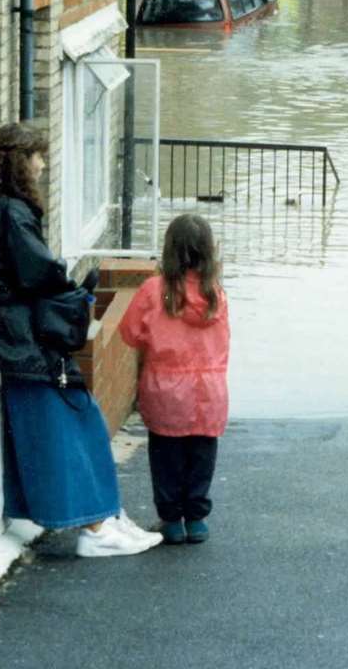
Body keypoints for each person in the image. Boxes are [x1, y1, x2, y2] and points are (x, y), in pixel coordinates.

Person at [0, 123, 162, 557]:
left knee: (78, 419)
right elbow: (39, 272)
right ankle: (98, 527)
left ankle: (106, 515)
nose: (43, 165)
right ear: (20, 163)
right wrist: (74, 292)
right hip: (16, 334)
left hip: (6, 328)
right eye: (38, 157)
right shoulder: (10, 212)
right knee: (73, 424)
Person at [119, 214, 230, 546]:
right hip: (208, 390)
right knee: (201, 453)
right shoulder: (216, 295)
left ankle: (171, 521)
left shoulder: (155, 291)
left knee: (166, 455)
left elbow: (130, 333)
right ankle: (196, 519)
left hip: (165, 387)